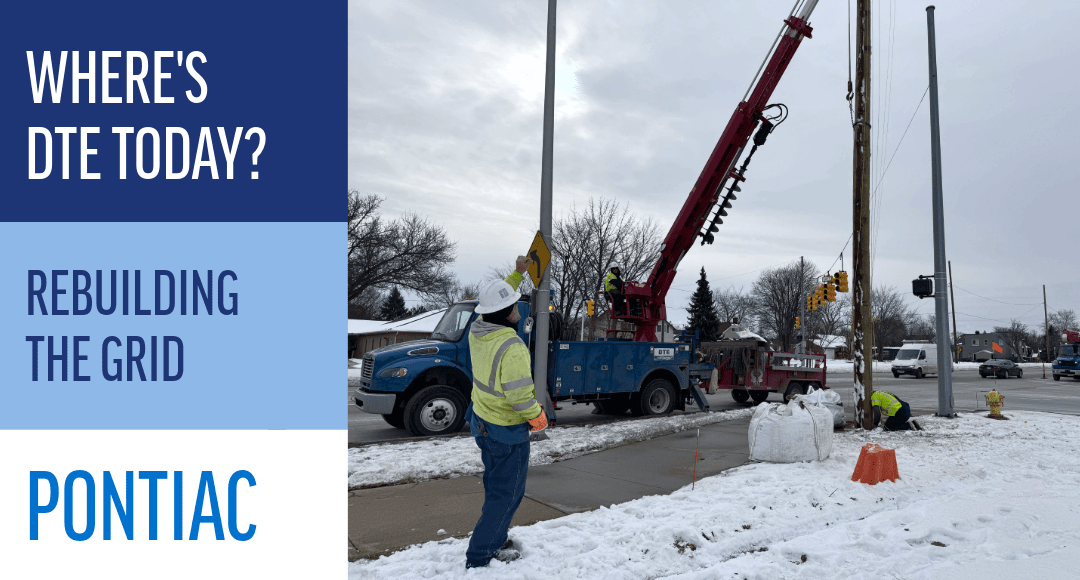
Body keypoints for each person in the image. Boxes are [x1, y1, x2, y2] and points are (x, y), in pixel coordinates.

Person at [464, 255, 548, 569]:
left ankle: (495, 538)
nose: (518, 308)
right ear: (506, 314)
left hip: (482, 423)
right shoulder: (512, 347)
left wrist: (517, 274)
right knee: (507, 494)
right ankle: (480, 555)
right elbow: (521, 398)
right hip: (506, 431)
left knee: (496, 486)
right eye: (514, 305)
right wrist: (538, 419)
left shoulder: (478, 330)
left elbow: (495, 301)